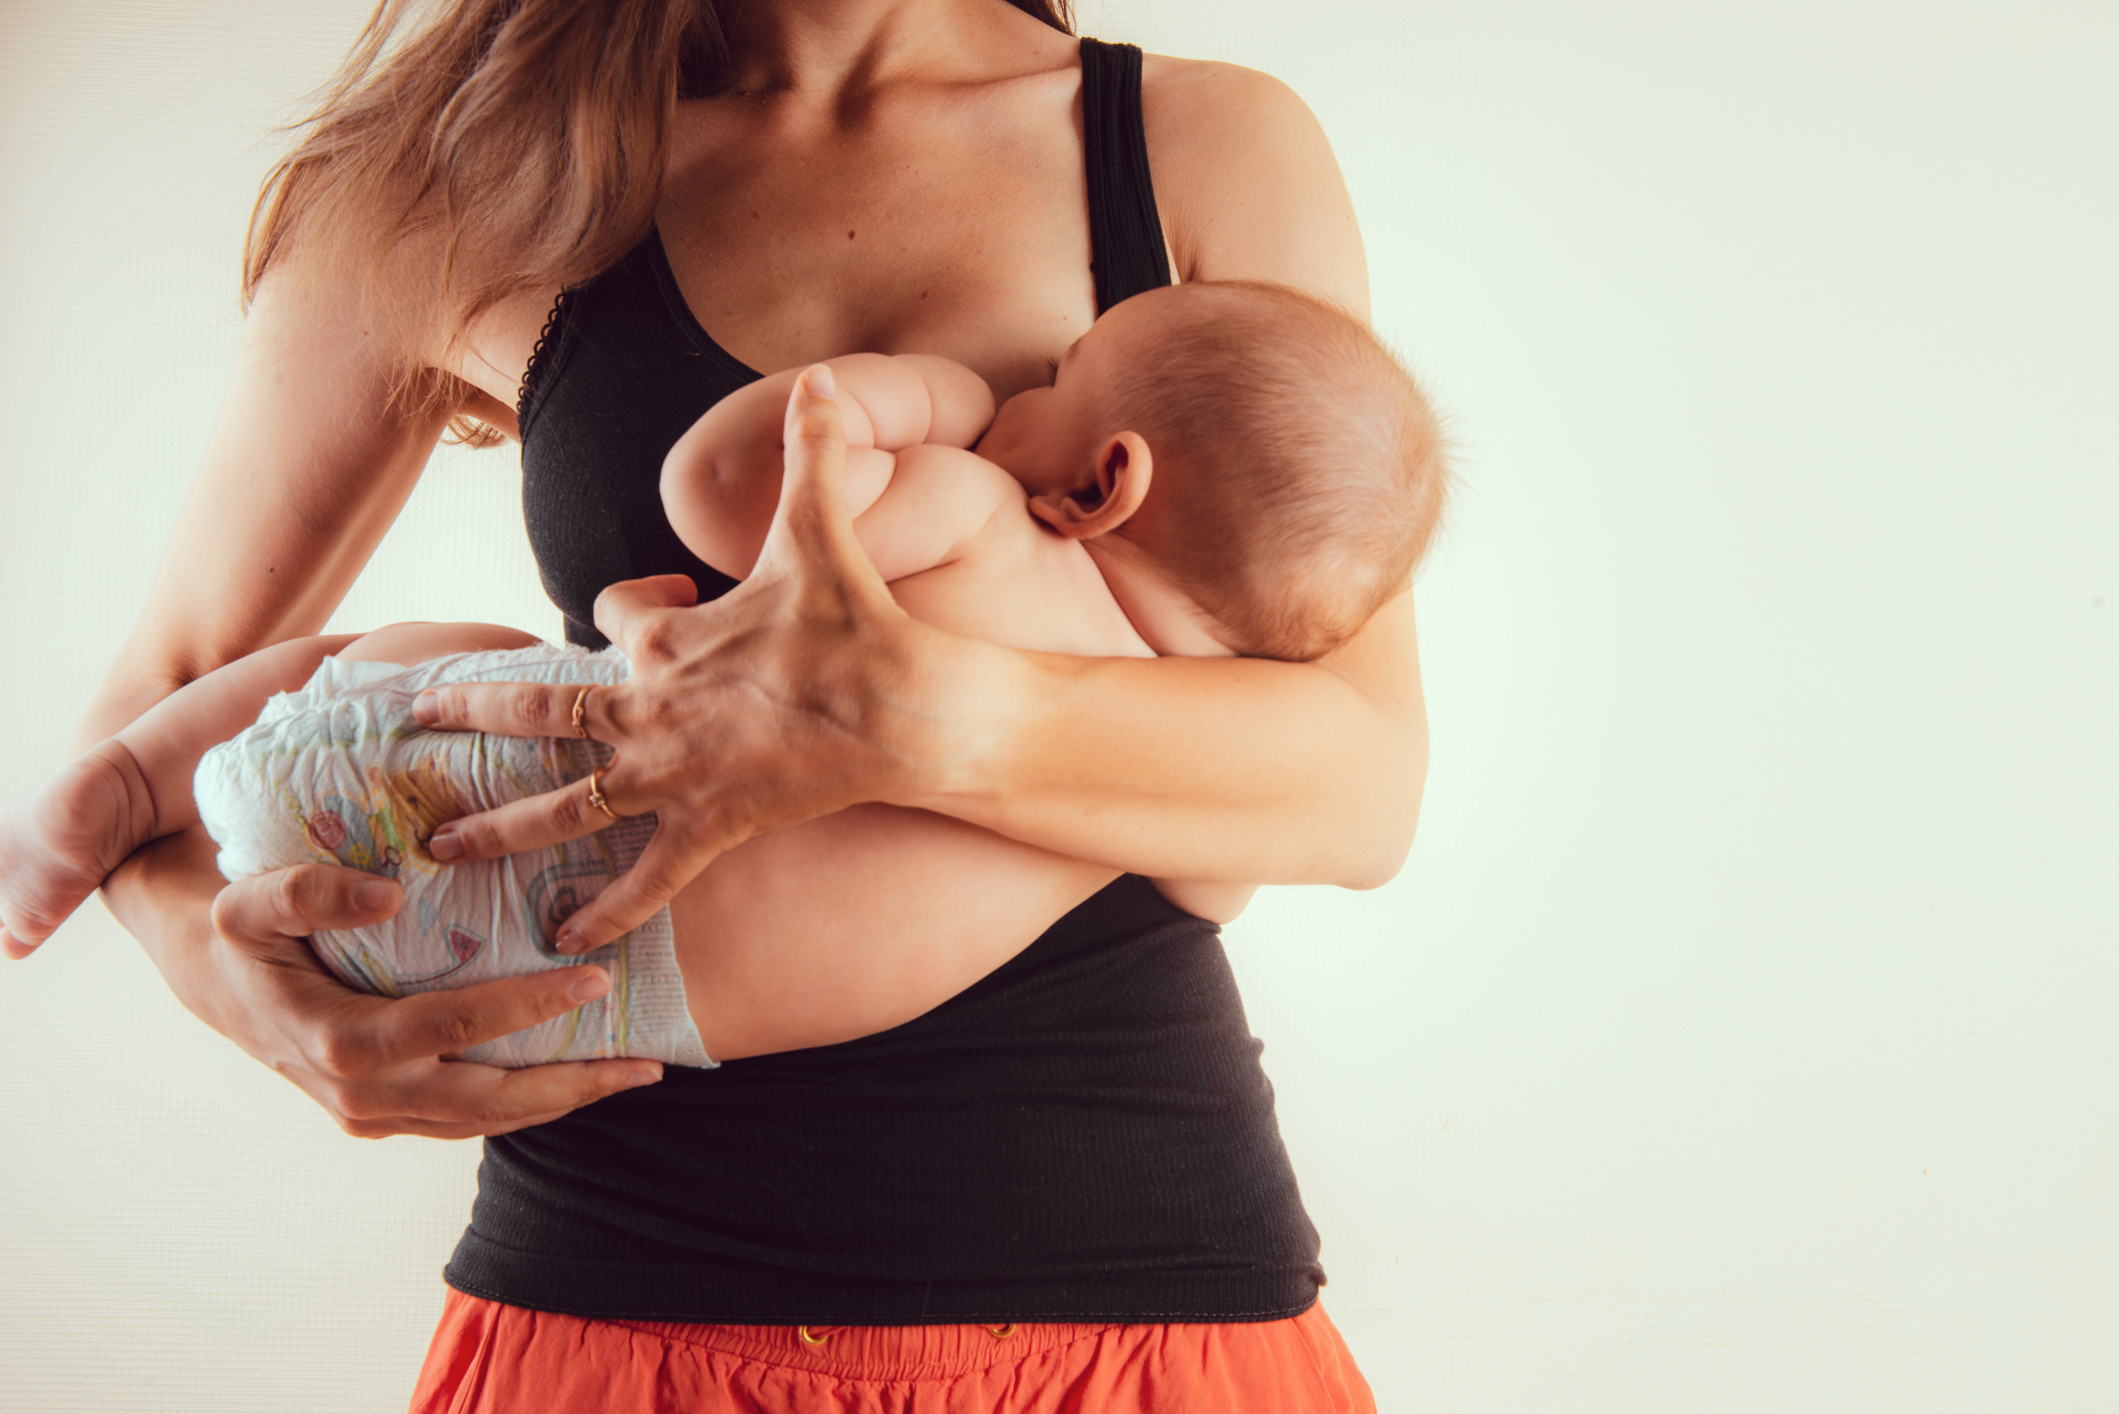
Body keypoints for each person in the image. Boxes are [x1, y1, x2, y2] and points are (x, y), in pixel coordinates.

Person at [43, 1, 1429, 1406]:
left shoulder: (1195, 144)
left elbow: (1363, 783)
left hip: (1141, 1304)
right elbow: (154, 710)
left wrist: (903, 711)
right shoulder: (455, 172)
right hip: (619, 1279)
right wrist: (234, 988)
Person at [1, 280, 1444, 1071]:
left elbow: (714, 484)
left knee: (391, 665)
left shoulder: (979, 513)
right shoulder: (1201, 818)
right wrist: (230, 984)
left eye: (1052, 372)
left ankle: (125, 783)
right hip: (593, 1011)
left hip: (467, 811)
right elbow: (1293, 833)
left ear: (1103, 479)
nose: (1014, 384)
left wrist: (911, 401)